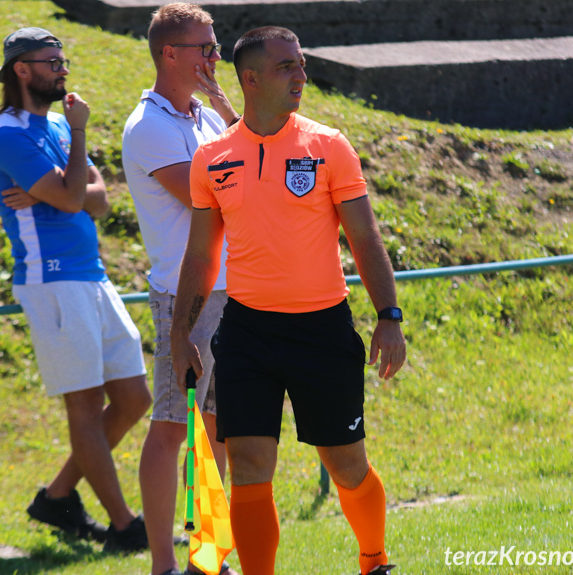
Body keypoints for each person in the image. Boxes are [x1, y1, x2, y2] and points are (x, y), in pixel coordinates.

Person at [169, 26, 406, 575]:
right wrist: (181, 334)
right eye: (287, 67)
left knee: (347, 466)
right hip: (247, 333)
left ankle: (374, 560)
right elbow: (202, 257)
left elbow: (365, 238)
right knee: (250, 464)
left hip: (322, 329)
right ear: (249, 79)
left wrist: (389, 316)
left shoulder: (328, 145)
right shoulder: (212, 158)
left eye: (300, 65)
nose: (301, 75)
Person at [0, 27, 153, 552]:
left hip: (92, 275)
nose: (62, 69)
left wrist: (67, 189)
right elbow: (79, 194)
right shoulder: (9, 134)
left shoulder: (56, 123)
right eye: (51, 61)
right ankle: (124, 526)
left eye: (64, 60)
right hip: (51, 279)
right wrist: (77, 153)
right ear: (22, 70)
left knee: (132, 397)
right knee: (83, 408)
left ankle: (58, 496)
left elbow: (96, 200)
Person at [121, 4, 240, 575]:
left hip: (229, 294)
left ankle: (207, 560)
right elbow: (214, 196)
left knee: (217, 433)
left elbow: (252, 161)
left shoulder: (205, 117)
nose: (216, 57)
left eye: (215, 46)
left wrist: (221, 104)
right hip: (185, 299)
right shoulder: (149, 127)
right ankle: (163, 565)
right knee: (173, 428)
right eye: (206, 48)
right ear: (171, 54)